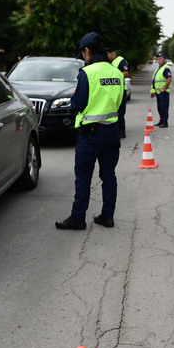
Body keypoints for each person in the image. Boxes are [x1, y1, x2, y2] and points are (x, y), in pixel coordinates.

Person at [55, 32, 124, 231]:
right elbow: (119, 104)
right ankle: (107, 217)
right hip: (111, 132)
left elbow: (78, 104)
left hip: (90, 135)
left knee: (84, 176)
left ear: (87, 51)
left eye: (83, 53)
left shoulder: (87, 73)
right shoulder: (116, 73)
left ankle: (78, 219)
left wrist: (75, 96)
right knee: (109, 175)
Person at [107, 47, 130, 138]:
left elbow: (126, 73)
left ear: (112, 53)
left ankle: (122, 131)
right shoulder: (112, 63)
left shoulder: (120, 61)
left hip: (120, 90)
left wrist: (115, 77)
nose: (107, 56)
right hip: (113, 90)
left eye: (107, 54)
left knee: (120, 111)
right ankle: (116, 129)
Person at [150, 53, 172, 127]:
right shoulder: (158, 69)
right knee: (160, 108)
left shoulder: (166, 68)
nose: (158, 60)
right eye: (157, 59)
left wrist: (164, 88)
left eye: (160, 58)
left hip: (164, 92)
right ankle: (161, 120)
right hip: (158, 92)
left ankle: (165, 122)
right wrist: (153, 92)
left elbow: (169, 78)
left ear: (164, 59)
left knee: (164, 108)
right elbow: (154, 82)